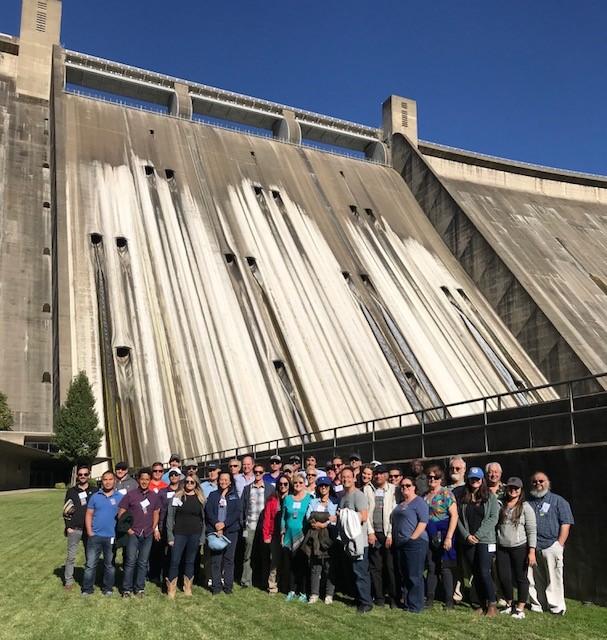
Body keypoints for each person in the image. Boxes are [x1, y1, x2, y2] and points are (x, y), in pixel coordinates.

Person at [527, 471, 574, 615]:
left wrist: (559, 544)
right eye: (535, 482)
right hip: (533, 547)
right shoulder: (528, 503)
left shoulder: (558, 501)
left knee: (554, 578)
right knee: (534, 578)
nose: (538, 484)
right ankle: (538, 605)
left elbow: (566, 523)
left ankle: (556, 607)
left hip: (551, 545)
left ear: (548, 483)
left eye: (541, 481)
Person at [457, 467, 499, 616]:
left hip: (485, 541)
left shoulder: (490, 497)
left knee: (484, 572)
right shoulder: (463, 497)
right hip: (468, 541)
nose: (475, 481)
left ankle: (492, 604)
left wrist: (478, 535)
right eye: (472, 479)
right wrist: (466, 536)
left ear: (482, 480)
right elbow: (458, 519)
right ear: (468, 480)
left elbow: (493, 518)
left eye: (477, 479)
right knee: (475, 573)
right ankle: (481, 604)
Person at [117, 467, 162, 597]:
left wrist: (153, 528)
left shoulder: (154, 496)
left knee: (142, 562)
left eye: (147, 479)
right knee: (130, 561)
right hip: (134, 533)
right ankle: (126, 589)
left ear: (150, 481)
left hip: (147, 534)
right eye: (142, 479)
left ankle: (140, 588)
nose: (144, 482)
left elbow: (156, 512)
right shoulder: (131, 495)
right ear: (138, 480)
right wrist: (128, 529)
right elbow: (121, 513)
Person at [496, 477, 537, 619]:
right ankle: (509, 604)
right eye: (511, 488)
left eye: (516, 488)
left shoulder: (525, 507)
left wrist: (531, 551)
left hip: (519, 547)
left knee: (521, 578)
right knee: (504, 577)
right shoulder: (501, 504)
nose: (513, 490)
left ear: (520, 490)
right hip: (502, 547)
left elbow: (532, 530)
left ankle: (520, 608)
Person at [392, 476, 429, 613]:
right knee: (405, 574)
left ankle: (416, 606)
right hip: (401, 543)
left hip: (415, 543)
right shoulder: (401, 504)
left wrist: (413, 538)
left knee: (414, 575)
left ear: (414, 487)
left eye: (408, 485)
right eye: (402, 486)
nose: (405, 488)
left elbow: (423, 522)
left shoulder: (419, 502)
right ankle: (408, 602)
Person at [339, 466, 373, 614]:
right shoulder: (343, 497)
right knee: (353, 572)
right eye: (343, 477)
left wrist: (345, 515)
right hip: (348, 542)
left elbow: (364, 516)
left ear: (354, 478)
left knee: (361, 572)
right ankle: (359, 598)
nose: (346, 479)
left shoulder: (358, 495)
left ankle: (366, 602)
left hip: (360, 541)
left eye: (348, 476)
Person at [165, 474, 206, 598]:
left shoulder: (201, 499)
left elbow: (203, 520)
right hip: (179, 534)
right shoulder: (176, 497)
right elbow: (170, 517)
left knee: (190, 561)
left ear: (196, 484)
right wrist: (170, 536)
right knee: (174, 561)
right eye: (187, 481)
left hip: (194, 534)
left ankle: (187, 587)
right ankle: (171, 589)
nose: (189, 484)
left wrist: (202, 537)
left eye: (192, 482)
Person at [424, 465, 458, 609]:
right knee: (432, 567)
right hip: (429, 534)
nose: (432, 480)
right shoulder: (424, 496)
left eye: (435, 477)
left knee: (445, 568)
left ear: (440, 479)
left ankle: (448, 600)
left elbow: (454, 515)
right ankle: (430, 598)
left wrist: (449, 537)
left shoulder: (446, 494)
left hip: (444, 533)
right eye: (430, 477)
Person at [81, 470, 120, 596]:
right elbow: (89, 514)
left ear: (114, 481)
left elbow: (125, 516)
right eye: (105, 479)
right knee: (90, 564)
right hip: (95, 536)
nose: (108, 482)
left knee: (109, 565)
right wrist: (89, 532)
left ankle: (108, 588)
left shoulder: (120, 497)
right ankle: (87, 589)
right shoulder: (95, 496)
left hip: (111, 537)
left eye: (110, 479)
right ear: (101, 481)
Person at [205, 471, 242, 595]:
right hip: (215, 531)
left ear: (230, 481)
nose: (223, 482)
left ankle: (228, 587)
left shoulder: (235, 496)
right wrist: (216, 524)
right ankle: (216, 587)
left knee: (229, 559)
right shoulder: (213, 495)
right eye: (221, 479)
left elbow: (237, 512)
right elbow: (208, 511)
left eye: (226, 479)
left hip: (231, 531)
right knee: (216, 560)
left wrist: (224, 524)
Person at [367, 464, 398, 608]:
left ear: (385, 475)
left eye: (381, 473)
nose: (378, 476)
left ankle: (393, 598)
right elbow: (365, 512)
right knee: (375, 567)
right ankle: (379, 597)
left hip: (387, 533)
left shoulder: (393, 489)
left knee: (391, 567)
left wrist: (391, 534)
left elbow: (393, 513)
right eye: (376, 474)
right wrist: (370, 531)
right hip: (374, 532)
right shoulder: (368, 489)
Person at [304, 476, 338, 604]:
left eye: (326, 486)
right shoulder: (313, 502)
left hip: (329, 537)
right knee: (315, 565)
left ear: (330, 488)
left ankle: (329, 594)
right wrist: (318, 522)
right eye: (321, 486)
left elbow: (334, 520)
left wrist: (324, 524)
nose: (323, 488)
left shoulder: (334, 503)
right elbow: (309, 516)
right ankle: (314, 593)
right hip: (314, 536)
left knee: (329, 566)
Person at [240, 463, 275, 588]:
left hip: (264, 528)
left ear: (264, 473)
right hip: (250, 526)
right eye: (256, 472)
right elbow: (242, 508)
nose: (258, 474)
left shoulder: (270, 488)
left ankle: (263, 581)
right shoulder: (247, 488)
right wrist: (243, 524)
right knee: (247, 555)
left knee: (264, 555)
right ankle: (246, 581)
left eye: (260, 472)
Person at [62, 464, 95, 590]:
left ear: (89, 475)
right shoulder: (71, 491)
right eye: (80, 474)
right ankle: (68, 581)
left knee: (90, 557)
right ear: (77, 476)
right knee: (71, 557)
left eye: (85, 474)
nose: (83, 476)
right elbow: (66, 510)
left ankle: (89, 581)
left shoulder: (95, 490)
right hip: (74, 529)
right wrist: (68, 526)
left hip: (89, 529)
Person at [281, 474, 312, 602]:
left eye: (300, 482)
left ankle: (303, 592)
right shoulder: (287, 499)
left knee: (303, 565)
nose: (298, 485)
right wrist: (282, 533)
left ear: (304, 484)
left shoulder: (309, 498)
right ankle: (292, 590)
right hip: (289, 537)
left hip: (303, 537)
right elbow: (283, 517)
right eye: (295, 483)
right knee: (291, 565)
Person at [263, 473, 290, 594]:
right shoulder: (272, 499)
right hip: (275, 534)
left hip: (289, 534)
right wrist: (266, 535)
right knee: (275, 561)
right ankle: (272, 586)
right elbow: (267, 518)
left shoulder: (293, 498)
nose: (283, 486)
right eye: (280, 484)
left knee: (287, 561)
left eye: (285, 484)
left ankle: (286, 586)